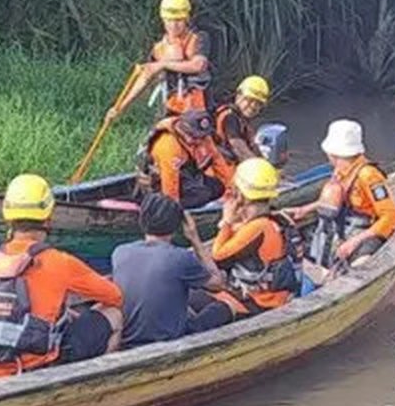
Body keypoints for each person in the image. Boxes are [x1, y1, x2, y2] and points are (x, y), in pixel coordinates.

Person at [0, 174, 124, 378]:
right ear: (48, 218)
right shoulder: (58, 261)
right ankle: (97, 381)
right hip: (36, 365)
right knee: (115, 314)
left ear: (8, 218)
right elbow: (115, 297)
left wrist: (63, 312)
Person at [112, 194, 229, 347]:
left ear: (142, 221)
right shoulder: (180, 258)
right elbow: (218, 283)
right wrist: (194, 238)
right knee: (224, 308)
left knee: (189, 296)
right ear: (176, 226)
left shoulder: (119, 252)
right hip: (169, 340)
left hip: (129, 338)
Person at [193, 158, 301, 320]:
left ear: (242, 195)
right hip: (269, 297)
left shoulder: (257, 228)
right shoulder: (272, 220)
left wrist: (226, 221)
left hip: (259, 304)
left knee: (192, 296)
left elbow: (218, 257)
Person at [287, 119, 395, 266]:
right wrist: (305, 209)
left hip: (366, 230)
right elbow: (333, 201)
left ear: (332, 153)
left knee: (361, 263)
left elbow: (392, 216)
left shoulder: (368, 175)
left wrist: (354, 242)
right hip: (343, 225)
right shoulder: (340, 170)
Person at [106, 0, 212, 123]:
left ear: (187, 18)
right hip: (168, 106)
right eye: (170, 20)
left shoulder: (199, 38)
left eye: (179, 20)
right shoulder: (159, 48)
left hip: (196, 107)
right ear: (163, 19)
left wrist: (163, 64)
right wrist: (120, 108)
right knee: (150, 141)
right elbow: (145, 77)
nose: (174, 25)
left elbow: (198, 65)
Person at [137, 108, 229, 209]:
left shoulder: (202, 137)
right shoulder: (169, 146)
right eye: (193, 136)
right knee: (202, 195)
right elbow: (170, 184)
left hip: (186, 175)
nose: (198, 141)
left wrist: (230, 192)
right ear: (181, 129)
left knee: (218, 187)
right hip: (160, 183)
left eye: (201, 137)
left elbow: (217, 160)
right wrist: (172, 209)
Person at [214, 75, 270, 169]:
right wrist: (261, 168)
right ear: (238, 95)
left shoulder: (241, 119)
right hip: (224, 173)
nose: (253, 106)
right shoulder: (230, 117)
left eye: (258, 103)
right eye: (249, 100)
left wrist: (267, 165)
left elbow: (253, 147)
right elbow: (239, 148)